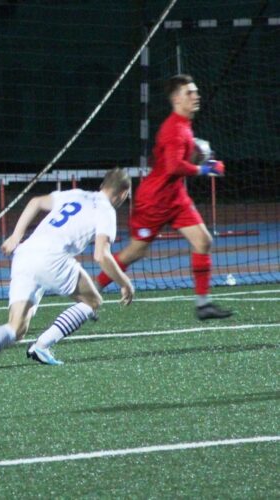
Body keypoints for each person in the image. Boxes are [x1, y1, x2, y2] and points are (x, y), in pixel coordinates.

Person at [0, 168, 134, 370]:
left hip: (25, 254)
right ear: (123, 194)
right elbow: (101, 255)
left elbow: (35, 202)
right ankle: (41, 346)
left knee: (17, 328)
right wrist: (124, 283)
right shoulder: (106, 211)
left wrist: (16, 237)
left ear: (103, 185)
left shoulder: (77, 194)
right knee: (92, 302)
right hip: (52, 259)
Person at [96, 74, 232, 320]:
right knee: (135, 252)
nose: (196, 96)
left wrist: (202, 158)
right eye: (190, 93)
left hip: (176, 198)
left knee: (203, 241)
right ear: (177, 99)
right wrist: (205, 169)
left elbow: (178, 161)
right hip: (154, 201)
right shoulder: (174, 128)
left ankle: (203, 305)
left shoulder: (184, 125)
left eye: (196, 91)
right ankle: (91, 291)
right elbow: (172, 166)